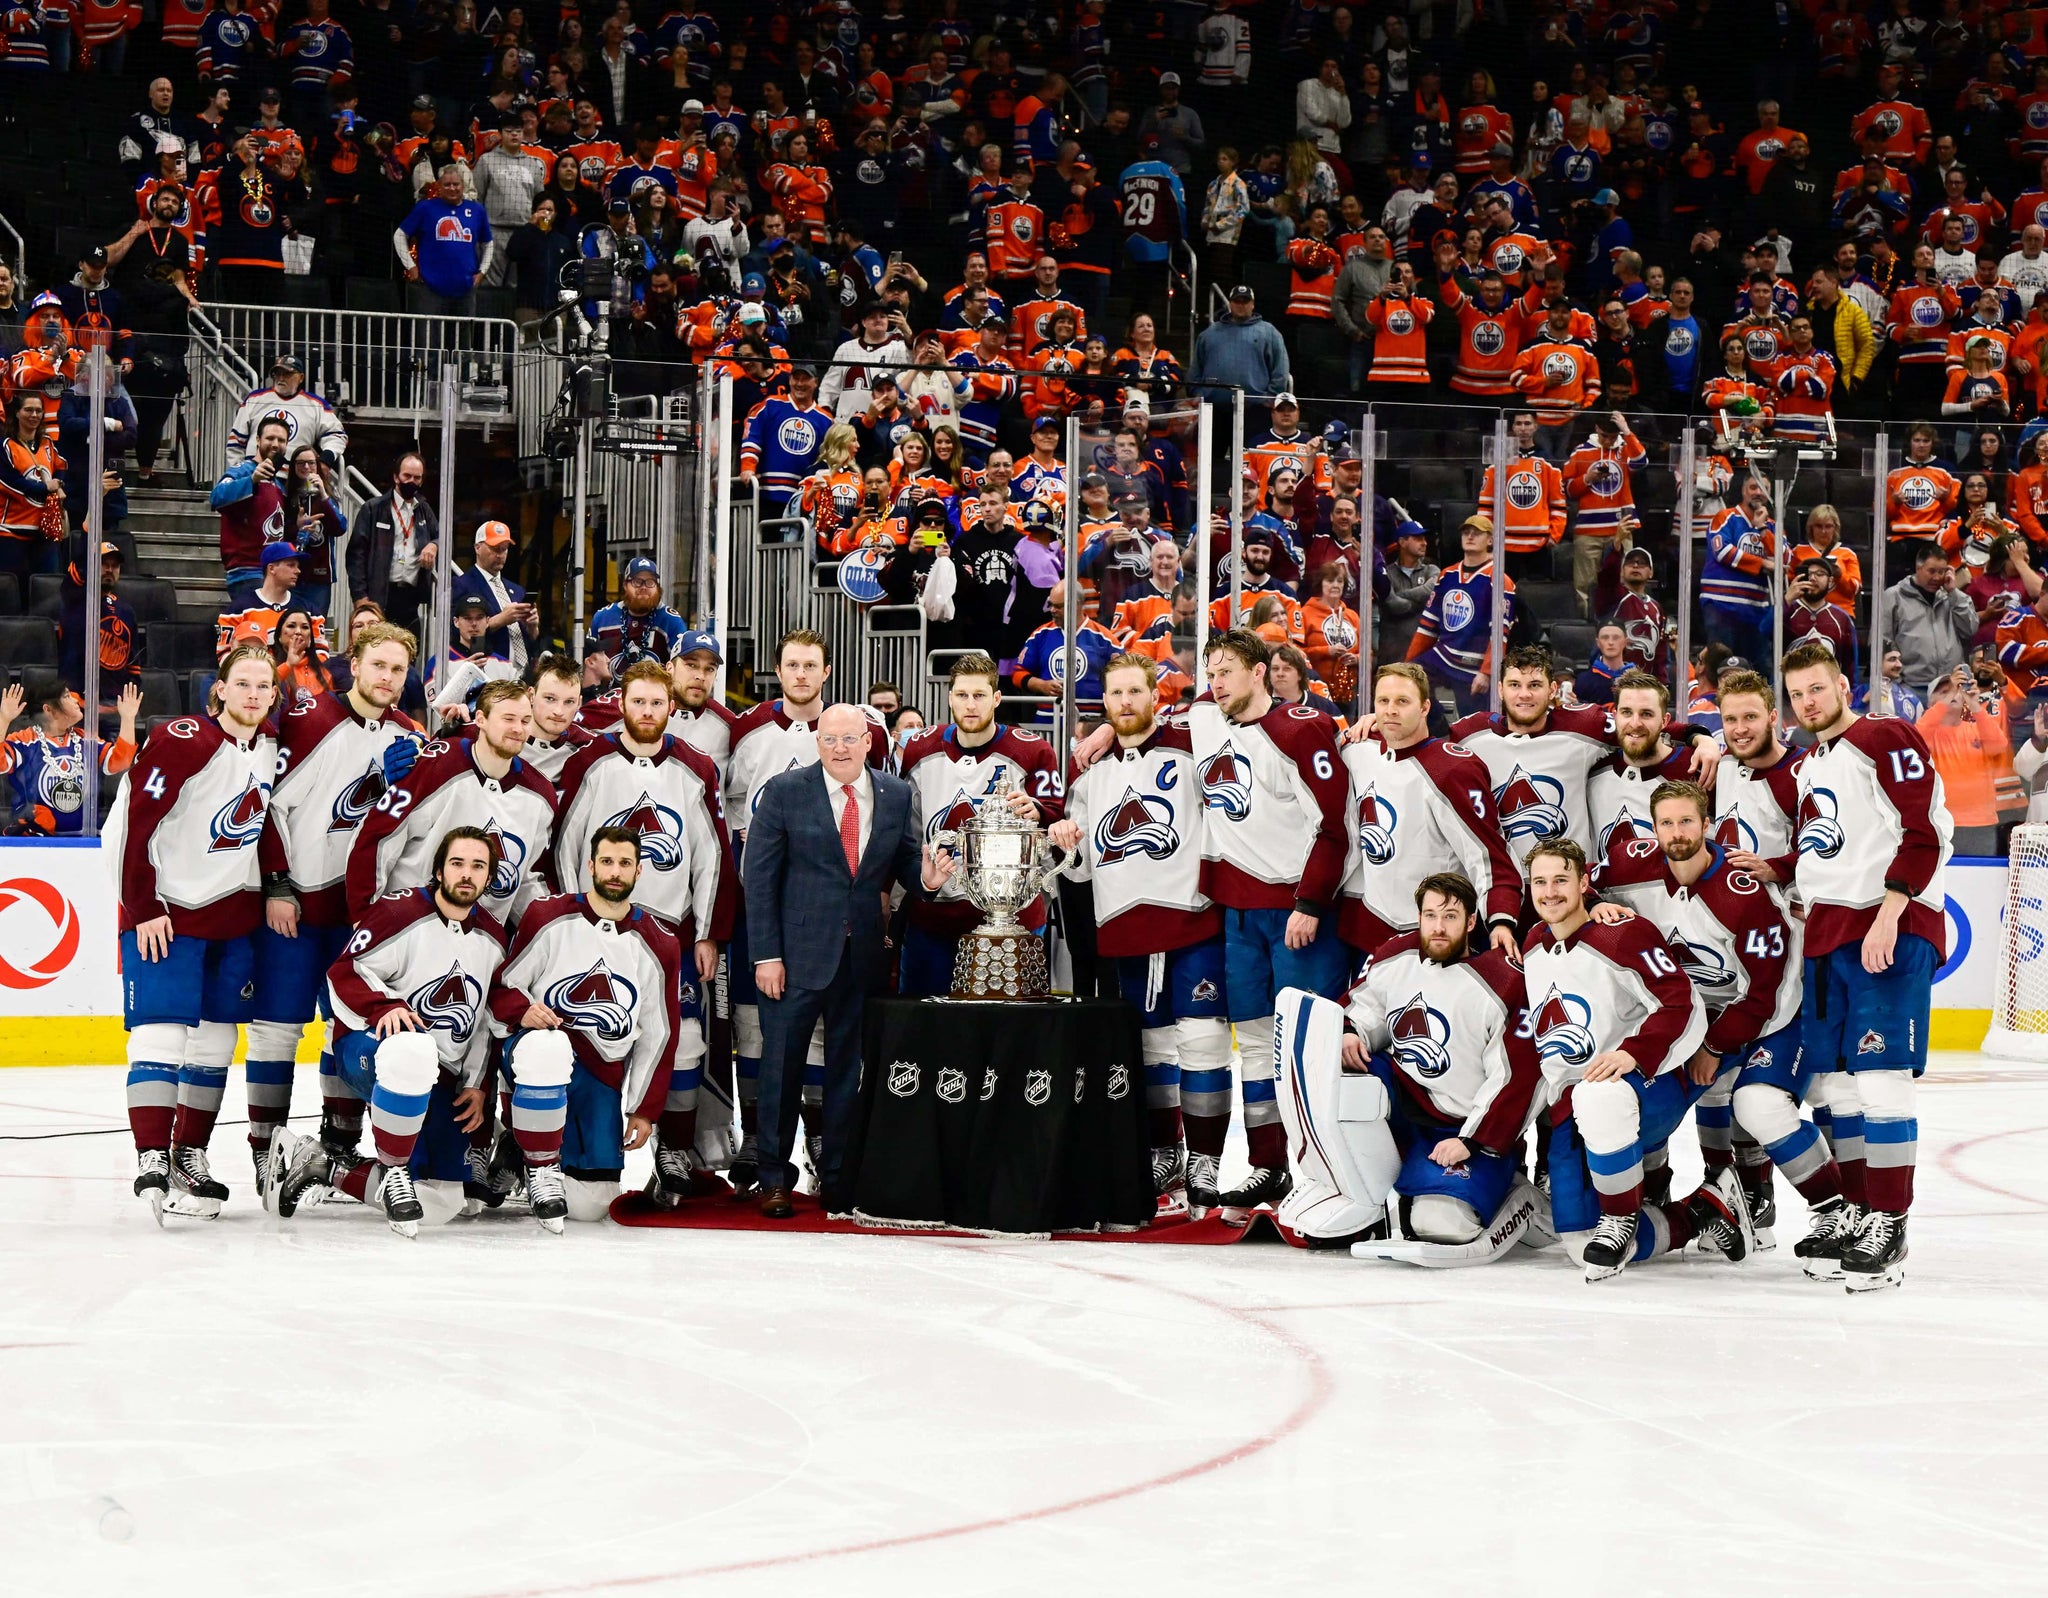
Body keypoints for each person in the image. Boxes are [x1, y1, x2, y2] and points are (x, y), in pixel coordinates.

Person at [1594, 780, 1836, 1251]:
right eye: (1666, 823)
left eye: (1687, 821)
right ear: (1653, 828)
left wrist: (1713, 1045)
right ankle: (1716, 1191)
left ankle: (1835, 1208)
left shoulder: (1742, 892)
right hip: (1690, 1016)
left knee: (1758, 1104)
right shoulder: (1628, 864)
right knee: (1636, 1100)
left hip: (1778, 1013)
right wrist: (1596, 902)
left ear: (1707, 825)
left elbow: (1768, 994)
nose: (1677, 832)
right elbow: (1573, 882)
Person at [1786, 638, 1955, 1290]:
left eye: (1818, 689)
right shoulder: (1809, 765)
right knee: (1837, 1088)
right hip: (1828, 935)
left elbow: (1924, 830)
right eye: (1798, 694)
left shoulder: (1886, 737)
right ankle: (1861, 1209)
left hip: (1886, 926)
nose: (1808, 702)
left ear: (1843, 688)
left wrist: (1892, 909)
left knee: (1882, 1078)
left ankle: (1890, 1219)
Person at [745, 702, 955, 1218]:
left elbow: (906, 860)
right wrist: (766, 955)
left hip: (860, 956)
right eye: (829, 739)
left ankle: (838, 1176)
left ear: (868, 742)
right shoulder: (784, 792)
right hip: (792, 960)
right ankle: (774, 1177)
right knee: (781, 1069)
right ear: (817, 743)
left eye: (849, 739)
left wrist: (926, 880)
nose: (839, 748)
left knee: (846, 1074)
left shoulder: (896, 793)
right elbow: (760, 882)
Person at [1272, 871, 1544, 1259]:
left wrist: (1471, 1140)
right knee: (1338, 1068)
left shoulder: (1503, 983)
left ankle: (1517, 1192)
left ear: (1471, 922)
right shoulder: (1394, 956)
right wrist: (1351, 1031)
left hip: (1462, 1129)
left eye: (1450, 917)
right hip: (1404, 1107)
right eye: (1430, 915)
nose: (1437, 927)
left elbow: (1517, 1079)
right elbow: (1361, 1009)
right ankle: (1361, 1198)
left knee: (1441, 1226)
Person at [1048, 650, 1230, 1210]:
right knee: (1149, 1048)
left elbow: (1219, 705)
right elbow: (1080, 865)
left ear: (1156, 696)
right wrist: (1066, 845)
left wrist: (1105, 729)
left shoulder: (1189, 741)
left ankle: (1206, 1158)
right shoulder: (1089, 773)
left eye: (1135, 692)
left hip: (1191, 916)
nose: (1126, 704)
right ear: (1102, 700)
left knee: (1201, 1040)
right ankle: (1163, 1151)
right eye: (1115, 695)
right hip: (1123, 925)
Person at [1522, 837, 1746, 1282]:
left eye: (1561, 880)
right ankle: (1704, 1209)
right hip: (1573, 1107)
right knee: (1577, 1245)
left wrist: (1633, 1053)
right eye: (1540, 882)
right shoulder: (1534, 942)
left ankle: (1622, 1217)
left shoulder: (1624, 933)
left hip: (1649, 1086)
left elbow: (1680, 1003)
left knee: (1599, 1094)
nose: (1550, 892)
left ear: (1585, 882)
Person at [267, 827, 510, 1236]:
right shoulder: (399, 912)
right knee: (411, 1051)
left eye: (477, 866)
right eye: (457, 864)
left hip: (441, 1076)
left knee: (443, 1203)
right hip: (369, 1050)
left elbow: (486, 1020)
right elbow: (343, 971)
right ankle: (394, 1171)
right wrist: (386, 1007)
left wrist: (477, 1085)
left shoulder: (494, 939)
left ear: (489, 878)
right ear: (438, 869)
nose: (466, 874)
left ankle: (322, 1164)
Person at [552, 661, 735, 1200]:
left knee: (684, 1044)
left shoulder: (696, 767)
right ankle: (562, 1148)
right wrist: (572, 919)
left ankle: (673, 1150)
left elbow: (710, 858)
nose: (648, 713)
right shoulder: (590, 762)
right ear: (622, 703)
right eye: (639, 702)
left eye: (658, 704)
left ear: (671, 707)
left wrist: (706, 933)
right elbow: (566, 846)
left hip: (669, 935)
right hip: (595, 927)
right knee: (585, 1033)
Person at [110, 643, 279, 1220]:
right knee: (159, 1035)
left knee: (215, 1042)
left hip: (232, 920)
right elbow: (137, 820)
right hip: (167, 915)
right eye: (244, 684)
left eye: (264, 686)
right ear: (220, 690)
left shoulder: (268, 748)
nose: (254, 695)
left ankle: (190, 1155)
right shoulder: (187, 739)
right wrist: (141, 905)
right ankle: (153, 1157)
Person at [249, 621, 421, 1185]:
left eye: (398, 669)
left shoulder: (408, 734)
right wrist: (277, 883)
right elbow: (267, 804)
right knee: (277, 1026)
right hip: (297, 904)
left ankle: (338, 1143)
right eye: (379, 665)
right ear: (355, 663)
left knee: (345, 1026)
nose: (388, 678)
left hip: (361, 915)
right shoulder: (311, 719)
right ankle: (264, 1145)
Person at [723, 631, 888, 1188]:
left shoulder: (885, 780)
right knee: (774, 1056)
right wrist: (766, 948)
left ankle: (834, 1162)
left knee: (844, 1061)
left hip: (853, 947)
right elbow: (756, 862)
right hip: (787, 941)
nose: (799, 674)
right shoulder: (760, 754)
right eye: (790, 663)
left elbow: (890, 858)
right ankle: (768, 1163)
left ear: (826, 670)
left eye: (810, 665)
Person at [484, 827, 691, 1226]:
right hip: (539, 1060)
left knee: (591, 1207)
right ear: (591, 866)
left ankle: (526, 1148)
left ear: (638, 871)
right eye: (607, 862)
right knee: (549, 1049)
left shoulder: (660, 943)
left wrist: (643, 1110)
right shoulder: (547, 915)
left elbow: (660, 1033)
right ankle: (526, 1142)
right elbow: (503, 987)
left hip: (601, 1076)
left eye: (625, 863)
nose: (615, 872)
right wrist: (523, 1010)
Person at [1446, 645, 1720, 874]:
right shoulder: (1469, 734)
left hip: (1569, 885)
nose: (1525, 694)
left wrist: (1698, 736)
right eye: (1515, 685)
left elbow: (1635, 725)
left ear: (1553, 689)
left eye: (1535, 685)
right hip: (1498, 882)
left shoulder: (1583, 725)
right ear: (1500, 689)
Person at [896, 654, 1064, 994]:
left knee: (1008, 1031)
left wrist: (1039, 813)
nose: (970, 705)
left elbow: (1058, 824)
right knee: (925, 1029)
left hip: (1012, 921)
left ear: (996, 698)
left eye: (979, 695)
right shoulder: (919, 748)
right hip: (933, 918)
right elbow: (905, 836)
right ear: (949, 697)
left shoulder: (1034, 751)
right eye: (962, 695)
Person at [1337, 662, 1522, 958]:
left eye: (1402, 702)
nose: (1390, 710)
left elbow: (1487, 855)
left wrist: (1501, 918)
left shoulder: (1452, 770)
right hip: (1368, 929)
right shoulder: (1359, 748)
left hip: (1434, 935)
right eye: (1383, 702)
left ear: (1425, 708)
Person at [346, 679, 558, 927]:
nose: (518, 729)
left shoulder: (541, 796)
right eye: (508, 719)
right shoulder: (438, 766)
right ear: (480, 719)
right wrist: (365, 917)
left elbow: (527, 879)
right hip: (409, 926)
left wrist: (545, 933)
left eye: (524, 721)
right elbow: (376, 838)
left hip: (477, 943)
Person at [1405, 515, 1516, 717]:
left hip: (1473, 665)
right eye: (1466, 532)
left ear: (1490, 540)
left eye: (1477, 533)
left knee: (1474, 726)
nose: (1470, 536)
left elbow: (1500, 633)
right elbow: (1428, 625)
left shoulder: (1499, 579)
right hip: (1443, 655)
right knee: (1409, 681)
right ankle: (1437, 728)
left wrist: (1486, 672)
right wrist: (1408, 663)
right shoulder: (1447, 575)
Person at [0, 679, 138, 836]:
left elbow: (120, 761)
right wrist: (4, 719)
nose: (75, 699)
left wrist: (128, 718)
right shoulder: (25, 741)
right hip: (36, 841)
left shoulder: (85, 739)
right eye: (66, 696)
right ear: (49, 709)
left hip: (82, 838)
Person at [1587, 670, 1703, 856]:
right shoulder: (1593, 770)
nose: (1635, 723)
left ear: (1665, 720)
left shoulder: (1696, 766)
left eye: (1646, 714)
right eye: (1626, 712)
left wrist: (1702, 738)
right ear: (1615, 715)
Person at [344, 454, 439, 635]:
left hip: (410, 598)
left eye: (417, 478)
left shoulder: (423, 509)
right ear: (396, 477)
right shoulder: (373, 508)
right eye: (407, 476)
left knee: (408, 654)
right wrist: (360, 596)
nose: (411, 481)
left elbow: (440, 535)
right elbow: (356, 556)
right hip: (377, 596)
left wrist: (434, 545)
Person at [211, 414, 291, 606]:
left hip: (272, 572)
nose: (275, 444)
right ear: (257, 440)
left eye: (281, 440)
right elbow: (216, 496)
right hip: (246, 572)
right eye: (270, 438)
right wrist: (251, 480)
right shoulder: (242, 470)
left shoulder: (279, 483)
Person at [395, 164, 495, 315]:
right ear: (439, 186)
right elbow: (399, 235)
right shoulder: (425, 208)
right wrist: (410, 266)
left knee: (462, 338)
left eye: (456, 184)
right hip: (431, 289)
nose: (452, 188)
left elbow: (488, 243)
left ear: (463, 185)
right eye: (447, 184)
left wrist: (482, 271)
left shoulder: (477, 210)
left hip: (466, 290)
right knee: (430, 337)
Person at [1886, 541, 1977, 695]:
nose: (1937, 577)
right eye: (1932, 571)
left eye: (1942, 572)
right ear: (1918, 568)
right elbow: (1884, 642)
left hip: (1950, 685)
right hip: (1911, 687)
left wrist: (1953, 593)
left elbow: (1970, 630)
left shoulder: (1954, 597)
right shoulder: (1894, 596)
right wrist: (1897, 681)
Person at [226, 354, 348, 464]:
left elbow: (337, 435)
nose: (281, 378)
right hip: (255, 474)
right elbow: (235, 441)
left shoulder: (316, 405)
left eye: (287, 374)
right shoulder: (255, 398)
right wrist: (241, 473)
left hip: (294, 478)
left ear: (301, 377)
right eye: (277, 373)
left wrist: (325, 460)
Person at [451, 520, 537, 673]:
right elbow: (454, 633)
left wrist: (532, 627)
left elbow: (532, 638)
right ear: (477, 547)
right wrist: (500, 620)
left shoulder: (516, 590)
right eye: (494, 548)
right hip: (489, 670)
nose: (500, 554)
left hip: (523, 673)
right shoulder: (462, 585)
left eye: (504, 549)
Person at [585, 556, 690, 680]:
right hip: (609, 696)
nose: (644, 587)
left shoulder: (670, 620)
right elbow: (589, 667)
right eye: (637, 581)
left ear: (657, 587)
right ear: (625, 585)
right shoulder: (603, 617)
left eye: (650, 582)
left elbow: (683, 667)